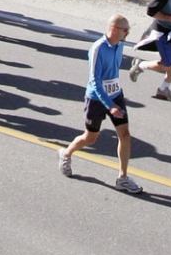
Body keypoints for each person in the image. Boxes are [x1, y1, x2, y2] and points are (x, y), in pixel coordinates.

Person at [57, 13, 142, 193]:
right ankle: (66, 153)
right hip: (96, 98)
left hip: (116, 94)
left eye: (128, 30)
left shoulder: (120, 45)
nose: (127, 34)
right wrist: (109, 105)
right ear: (113, 29)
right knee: (90, 137)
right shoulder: (97, 48)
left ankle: (123, 178)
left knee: (125, 135)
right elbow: (95, 81)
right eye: (125, 30)